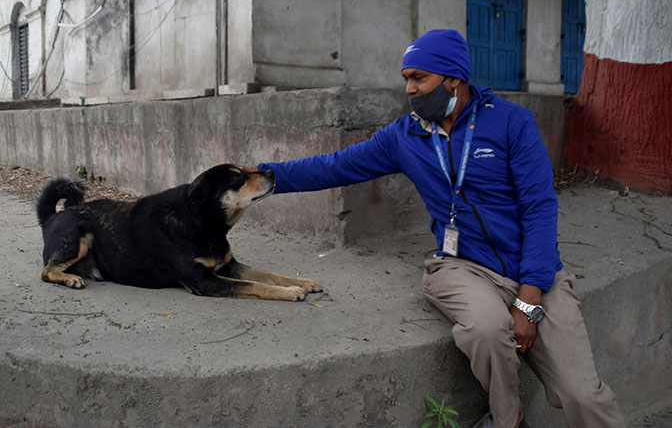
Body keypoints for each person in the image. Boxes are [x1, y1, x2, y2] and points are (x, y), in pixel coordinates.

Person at [249, 29, 625, 428]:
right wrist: (266, 176)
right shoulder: (404, 136)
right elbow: (337, 165)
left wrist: (529, 299)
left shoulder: (511, 122)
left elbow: (539, 207)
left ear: (453, 79)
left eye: (418, 78)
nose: (409, 89)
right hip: (461, 267)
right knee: (486, 328)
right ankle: (507, 419)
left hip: (535, 272)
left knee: (584, 394)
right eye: (406, 79)